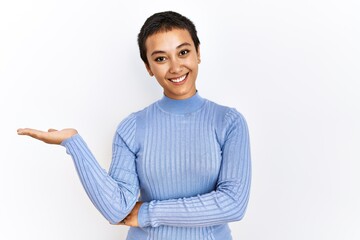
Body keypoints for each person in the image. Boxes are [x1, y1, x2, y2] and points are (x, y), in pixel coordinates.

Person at [17, 11, 251, 240]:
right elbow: (117, 209)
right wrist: (74, 143)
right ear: (148, 67)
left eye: (183, 52)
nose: (175, 67)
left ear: (198, 53)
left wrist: (149, 212)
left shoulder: (228, 122)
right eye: (160, 58)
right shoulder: (132, 127)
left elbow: (233, 204)